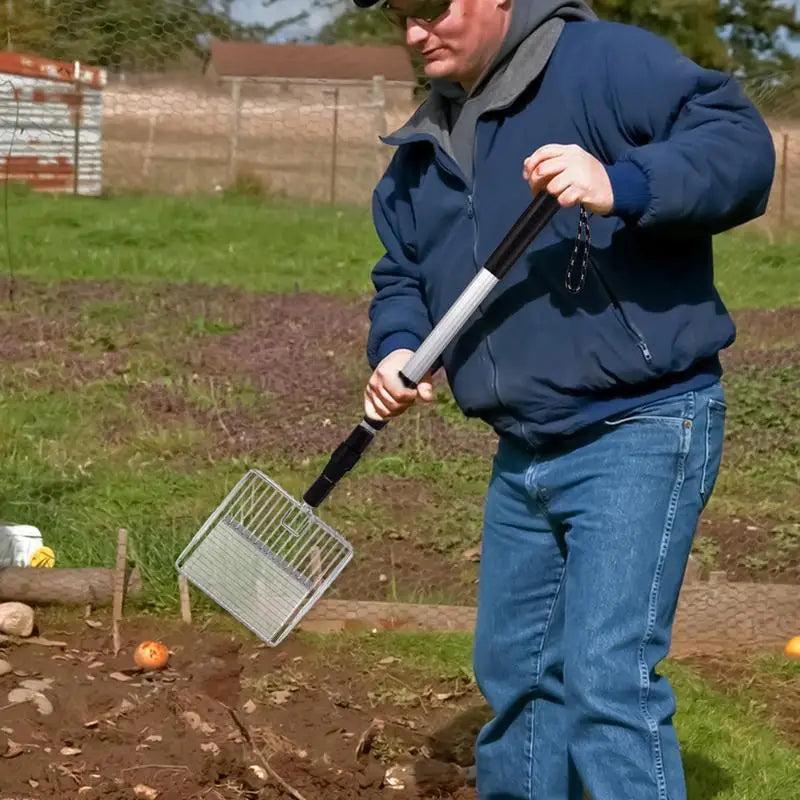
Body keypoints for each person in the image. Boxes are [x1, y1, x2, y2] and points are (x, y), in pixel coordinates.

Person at [352, 1, 775, 798]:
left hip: (641, 424)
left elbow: (743, 149)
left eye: (431, 8)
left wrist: (623, 181)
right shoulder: (425, 143)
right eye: (403, 16)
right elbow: (403, 271)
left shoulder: (603, 64)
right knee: (516, 675)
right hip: (526, 447)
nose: (415, 33)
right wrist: (400, 345)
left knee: (606, 680)